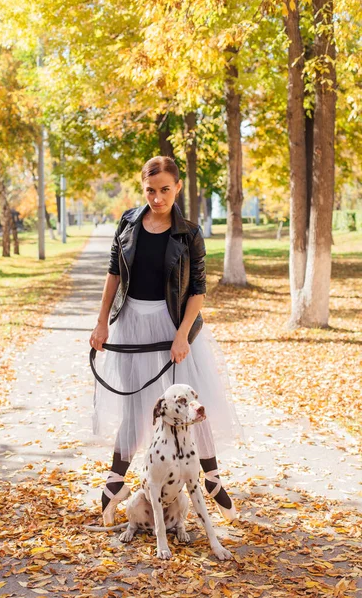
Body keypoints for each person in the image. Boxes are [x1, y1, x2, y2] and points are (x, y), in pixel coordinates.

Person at [89, 156, 243, 527]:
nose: (157, 198)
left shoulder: (189, 233)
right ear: (142, 188)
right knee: (136, 406)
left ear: (176, 188)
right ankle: (115, 482)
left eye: (164, 190)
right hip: (130, 323)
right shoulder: (127, 223)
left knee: (191, 405)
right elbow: (114, 275)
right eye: (150, 190)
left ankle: (211, 476)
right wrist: (101, 324)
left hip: (172, 326)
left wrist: (181, 335)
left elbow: (198, 291)